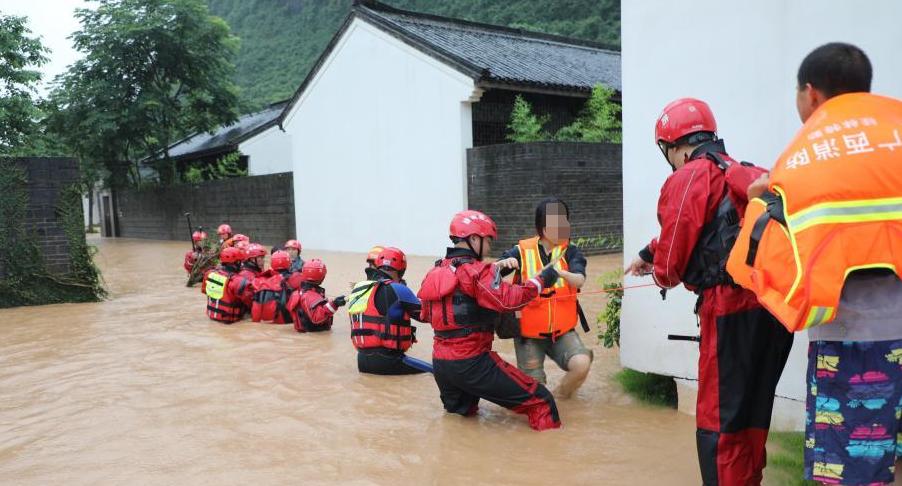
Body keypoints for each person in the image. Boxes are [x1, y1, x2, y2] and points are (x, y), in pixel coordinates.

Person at [730, 43, 901, 486]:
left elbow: (777, 256)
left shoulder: (805, 156)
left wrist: (760, 200)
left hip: (853, 342)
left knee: (848, 467)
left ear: (811, 94)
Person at [625, 98, 794, 484]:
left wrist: (658, 269)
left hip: (729, 309)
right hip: (774, 306)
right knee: (753, 413)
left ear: (675, 147)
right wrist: (647, 253)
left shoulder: (685, 177)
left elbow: (670, 268)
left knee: (721, 423)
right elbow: (721, 225)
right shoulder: (741, 172)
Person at [417, 210, 562, 431]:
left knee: (461, 420)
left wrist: (495, 274)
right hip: (473, 362)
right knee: (542, 402)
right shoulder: (476, 271)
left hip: (442, 365)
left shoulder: (436, 271)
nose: (489, 247)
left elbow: (426, 315)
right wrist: (541, 281)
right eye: (488, 241)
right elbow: (509, 301)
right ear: (473, 239)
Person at [496, 197, 592, 398]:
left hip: (562, 332)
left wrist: (564, 274)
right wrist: (504, 264)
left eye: (564, 221)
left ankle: (560, 397)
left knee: (582, 364)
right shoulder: (521, 251)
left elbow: (580, 280)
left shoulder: (571, 251)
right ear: (543, 227)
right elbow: (490, 276)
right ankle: (544, 402)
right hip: (528, 335)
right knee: (534, 393)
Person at [348, 247, 429, 375]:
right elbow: (426, 316)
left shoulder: (358, 289)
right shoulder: (399, 289)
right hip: (389, 361)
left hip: (362, 361)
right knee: (435, 372)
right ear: (401, 271)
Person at [287, 258, 345, 333]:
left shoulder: (301, 291)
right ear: (322, 276)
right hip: (315, 335)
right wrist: (335, 304)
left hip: (305, 335)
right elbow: (317, 318)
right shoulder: (311, 295)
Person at [202, 246, 252, 324]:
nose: (242, 265)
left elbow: (205, 291)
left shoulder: (209, 274)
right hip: (230, 322)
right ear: (236, 262)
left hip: (211, 318)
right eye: (240, 262)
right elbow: (250, 302)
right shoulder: (237, 281)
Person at [250, 250, 295, 324]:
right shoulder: (292, 279)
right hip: (283, 322)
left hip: (261, 322)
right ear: (288, 263)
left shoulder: (260, 279)